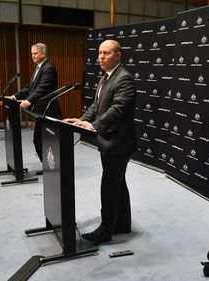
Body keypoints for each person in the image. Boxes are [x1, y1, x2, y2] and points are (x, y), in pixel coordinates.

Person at [64, 39, 137, 244]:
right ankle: (123, 222)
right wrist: (83, 120)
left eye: (106, 53)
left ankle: (105, 231)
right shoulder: (105, 78)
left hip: (119, 143)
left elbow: (118, 110)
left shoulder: (124, 79)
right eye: (99, 53)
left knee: (109, 186)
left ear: (118, 55)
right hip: (108, 141)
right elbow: (96, 106)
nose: (101, 57)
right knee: (118, 183)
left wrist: (94, 126)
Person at [5, 43, 61, 162]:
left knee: (47, 140)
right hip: (40, 111)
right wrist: (14, 97)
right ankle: (47, 163)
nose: (33, 56)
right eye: (32, 53)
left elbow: (42, 88)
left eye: (35, 53)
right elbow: (30, 87)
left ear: (43, 54)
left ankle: (51, 164)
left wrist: (28, 101)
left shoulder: (48, 68)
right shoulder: (39, 68)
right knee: (39, 139)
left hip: (47, 111)